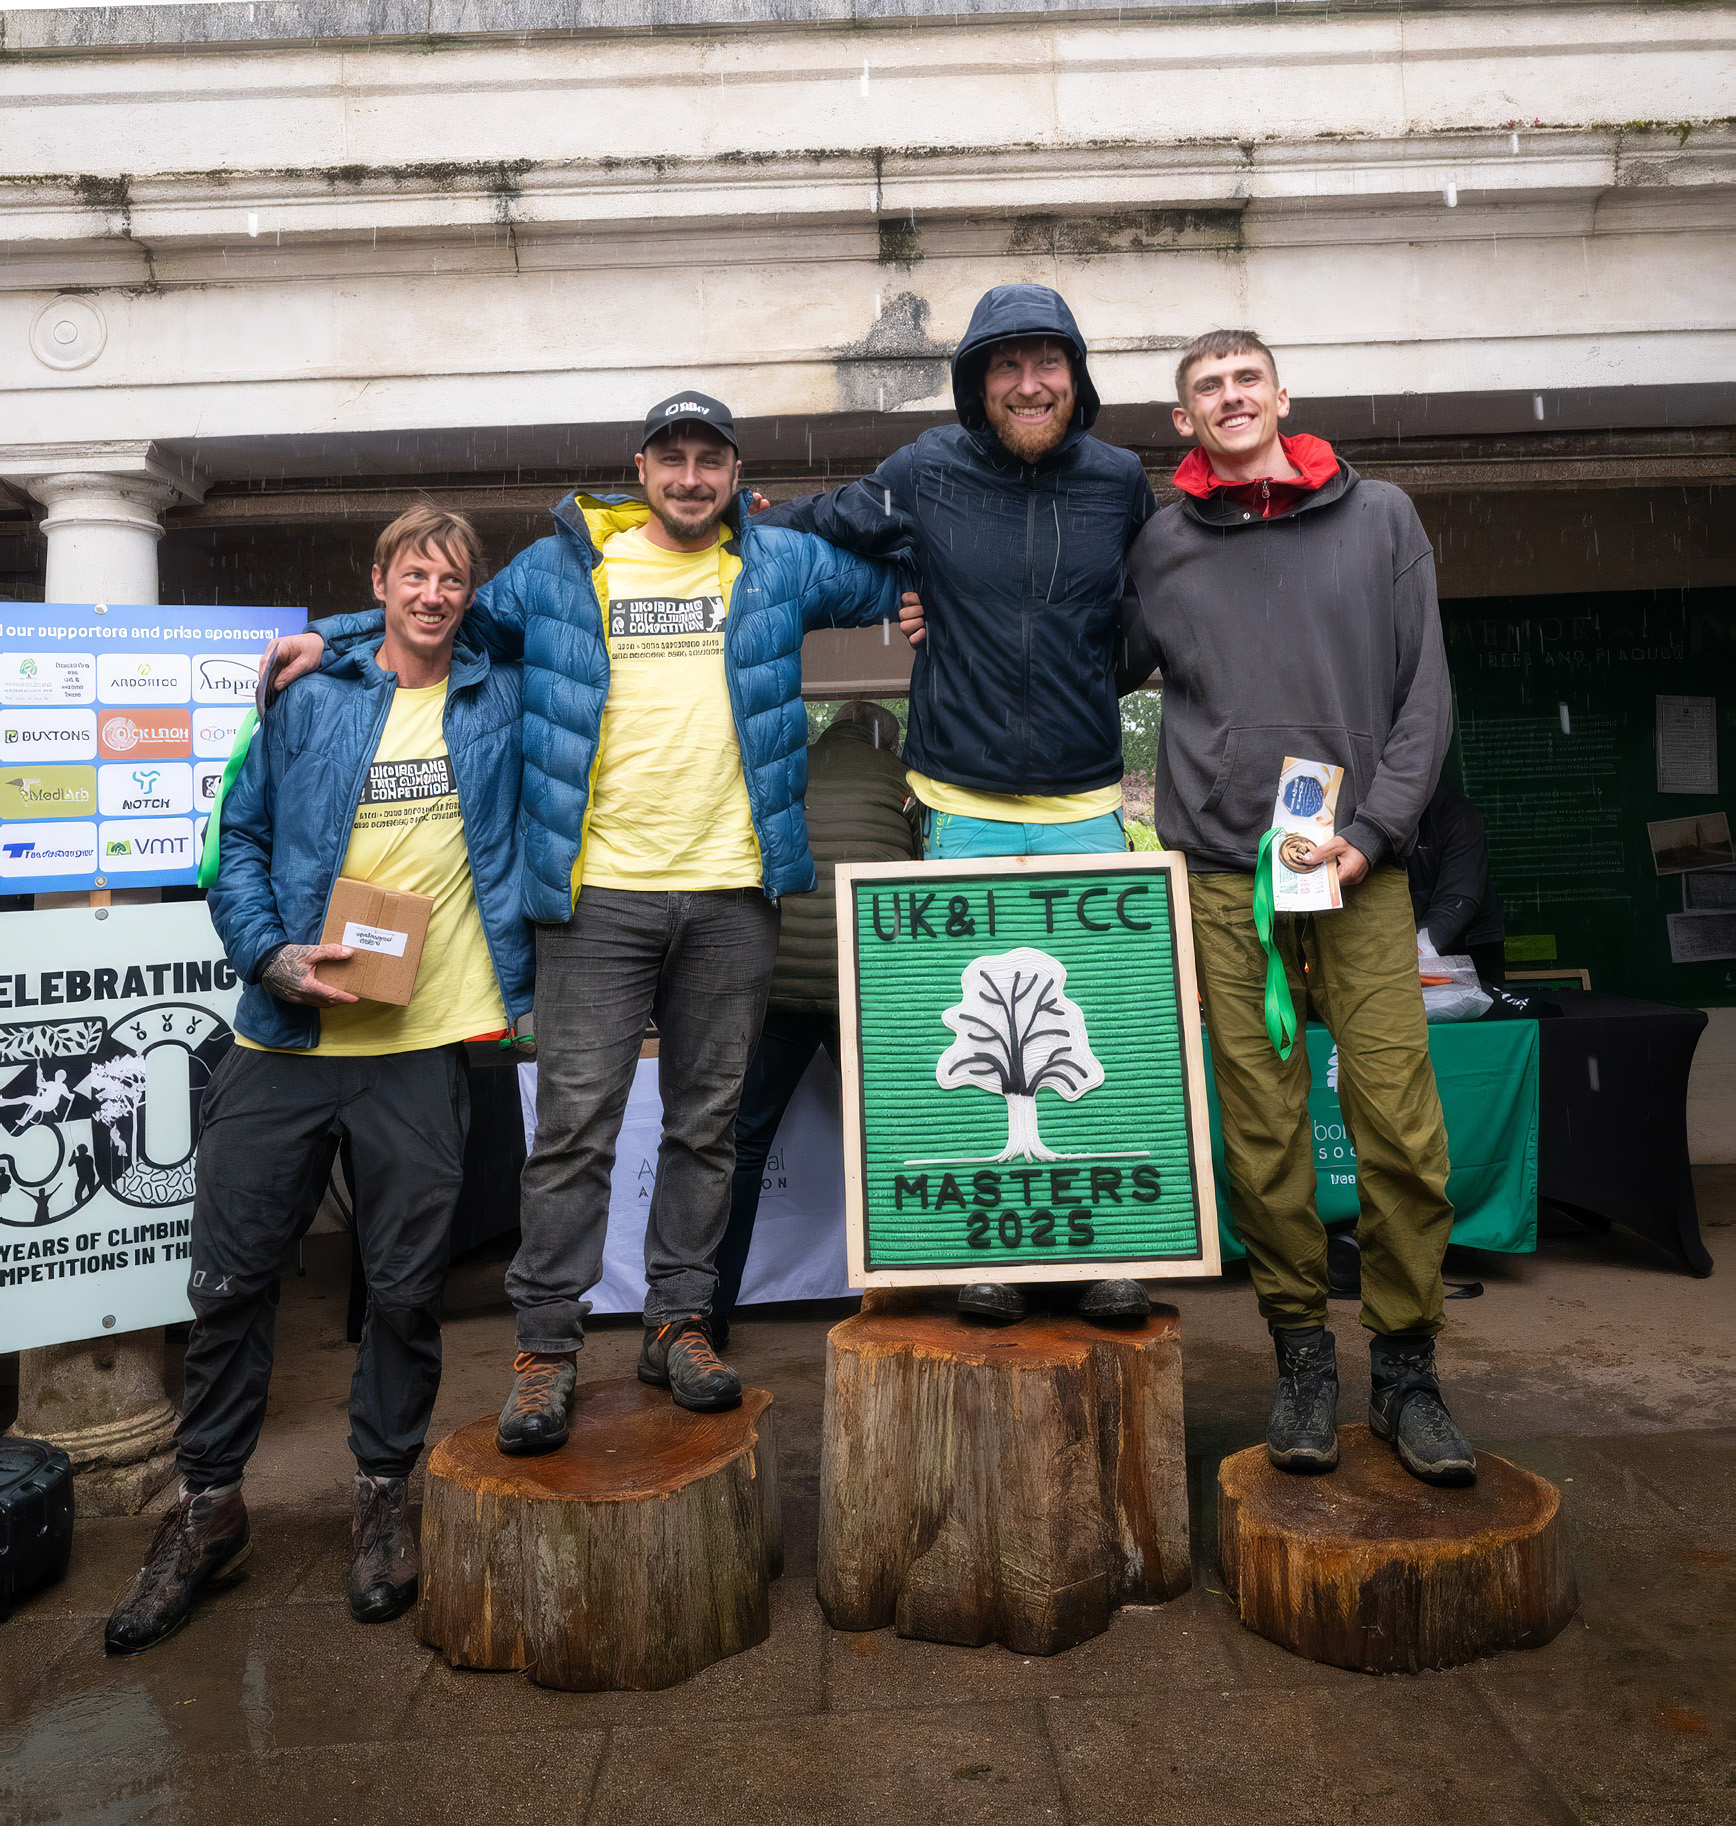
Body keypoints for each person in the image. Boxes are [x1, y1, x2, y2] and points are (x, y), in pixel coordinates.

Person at [269, 394, 904, 1455]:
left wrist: (894, 582)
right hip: (595, 896)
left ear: (734, 472)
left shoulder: (783, 563)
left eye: (710, 460)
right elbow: (441, 615)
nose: (689, 476)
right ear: (641, 467)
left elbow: (902, 568)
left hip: (734, 893)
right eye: (672, 457)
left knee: (706, 1126)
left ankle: (678, 1324)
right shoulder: (565, 569)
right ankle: (545, 1352)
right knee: (573, 1135)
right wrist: (330, 635)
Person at [105, 507, 531, 1655]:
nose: (432, 595)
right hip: (283, 1041)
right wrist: (268, 954)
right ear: (379, 578)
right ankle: (207, 1504)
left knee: (401, 1293)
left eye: (451, 579)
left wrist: (336, 625)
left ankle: (383, 1492)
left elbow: (551, 622)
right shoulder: (306, 699)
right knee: (232, 1281)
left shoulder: (500, 694)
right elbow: (235, 840)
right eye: (411, 574)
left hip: (422, 1044)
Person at [1118, 329, 1476, 1488]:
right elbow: (1089, 661)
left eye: (1243, 381)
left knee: (1401, 1135)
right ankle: (1302, 1359)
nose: (1227, 398)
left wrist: (1371, 838)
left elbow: (1422, 698)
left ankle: (1409, 1370)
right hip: (1225, 877)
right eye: (1203, 389)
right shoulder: (1159, 542)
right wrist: (948, 622)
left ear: (1280, 396)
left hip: (1355, 874)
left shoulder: (1380, 519)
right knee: (1261, 1142)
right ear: (1182, 421)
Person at [762, 283, 1157, 1327]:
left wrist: (1069, 674)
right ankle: (983, 1251)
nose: (1029, 383)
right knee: (969, 1022)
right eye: (1005, 366)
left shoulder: (1119, 482)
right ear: (976, 384)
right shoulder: (923, 473)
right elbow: (806, 533)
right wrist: (743, 524)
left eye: (1047, 363)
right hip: (958, 798)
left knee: (1096, 1023)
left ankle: (1105, 1250)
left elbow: (1145, 617)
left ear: (1075, 377)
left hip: (1082, 801)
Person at [711, 700, 919, 1346]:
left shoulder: (790, 769)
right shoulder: (900, 780)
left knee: (742, 1145)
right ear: (887, 741)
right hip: (865, 980)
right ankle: (907, 1302)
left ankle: (706, 1316)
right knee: (893, 1143)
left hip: (783, 981)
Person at [1409, 779, 1506, 985]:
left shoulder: (1457, 813)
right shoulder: (1366, 814)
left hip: (1469, 940)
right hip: (1402, 943)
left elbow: (1459, 897)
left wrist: (1415, 947)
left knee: (1474, 1011)